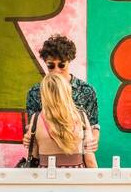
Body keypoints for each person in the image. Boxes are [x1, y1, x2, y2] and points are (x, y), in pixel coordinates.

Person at [22, 68, 100, 192]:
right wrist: (98, 182)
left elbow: (34, 156)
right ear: (66, 91)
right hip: (78, 180)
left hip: (47, 182)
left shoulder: (35, 120)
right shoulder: (81, 118)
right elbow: (89, 159)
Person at [26, 34, 99, 169]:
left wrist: (92, 139)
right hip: (46, 161)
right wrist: (28, 137)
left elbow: (93, 124)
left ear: (69, 61)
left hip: (77, 159)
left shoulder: (86, 90)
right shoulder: (36, 92)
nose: (56, 70)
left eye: (61, 65)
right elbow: (32, 127)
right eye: (51, 66)